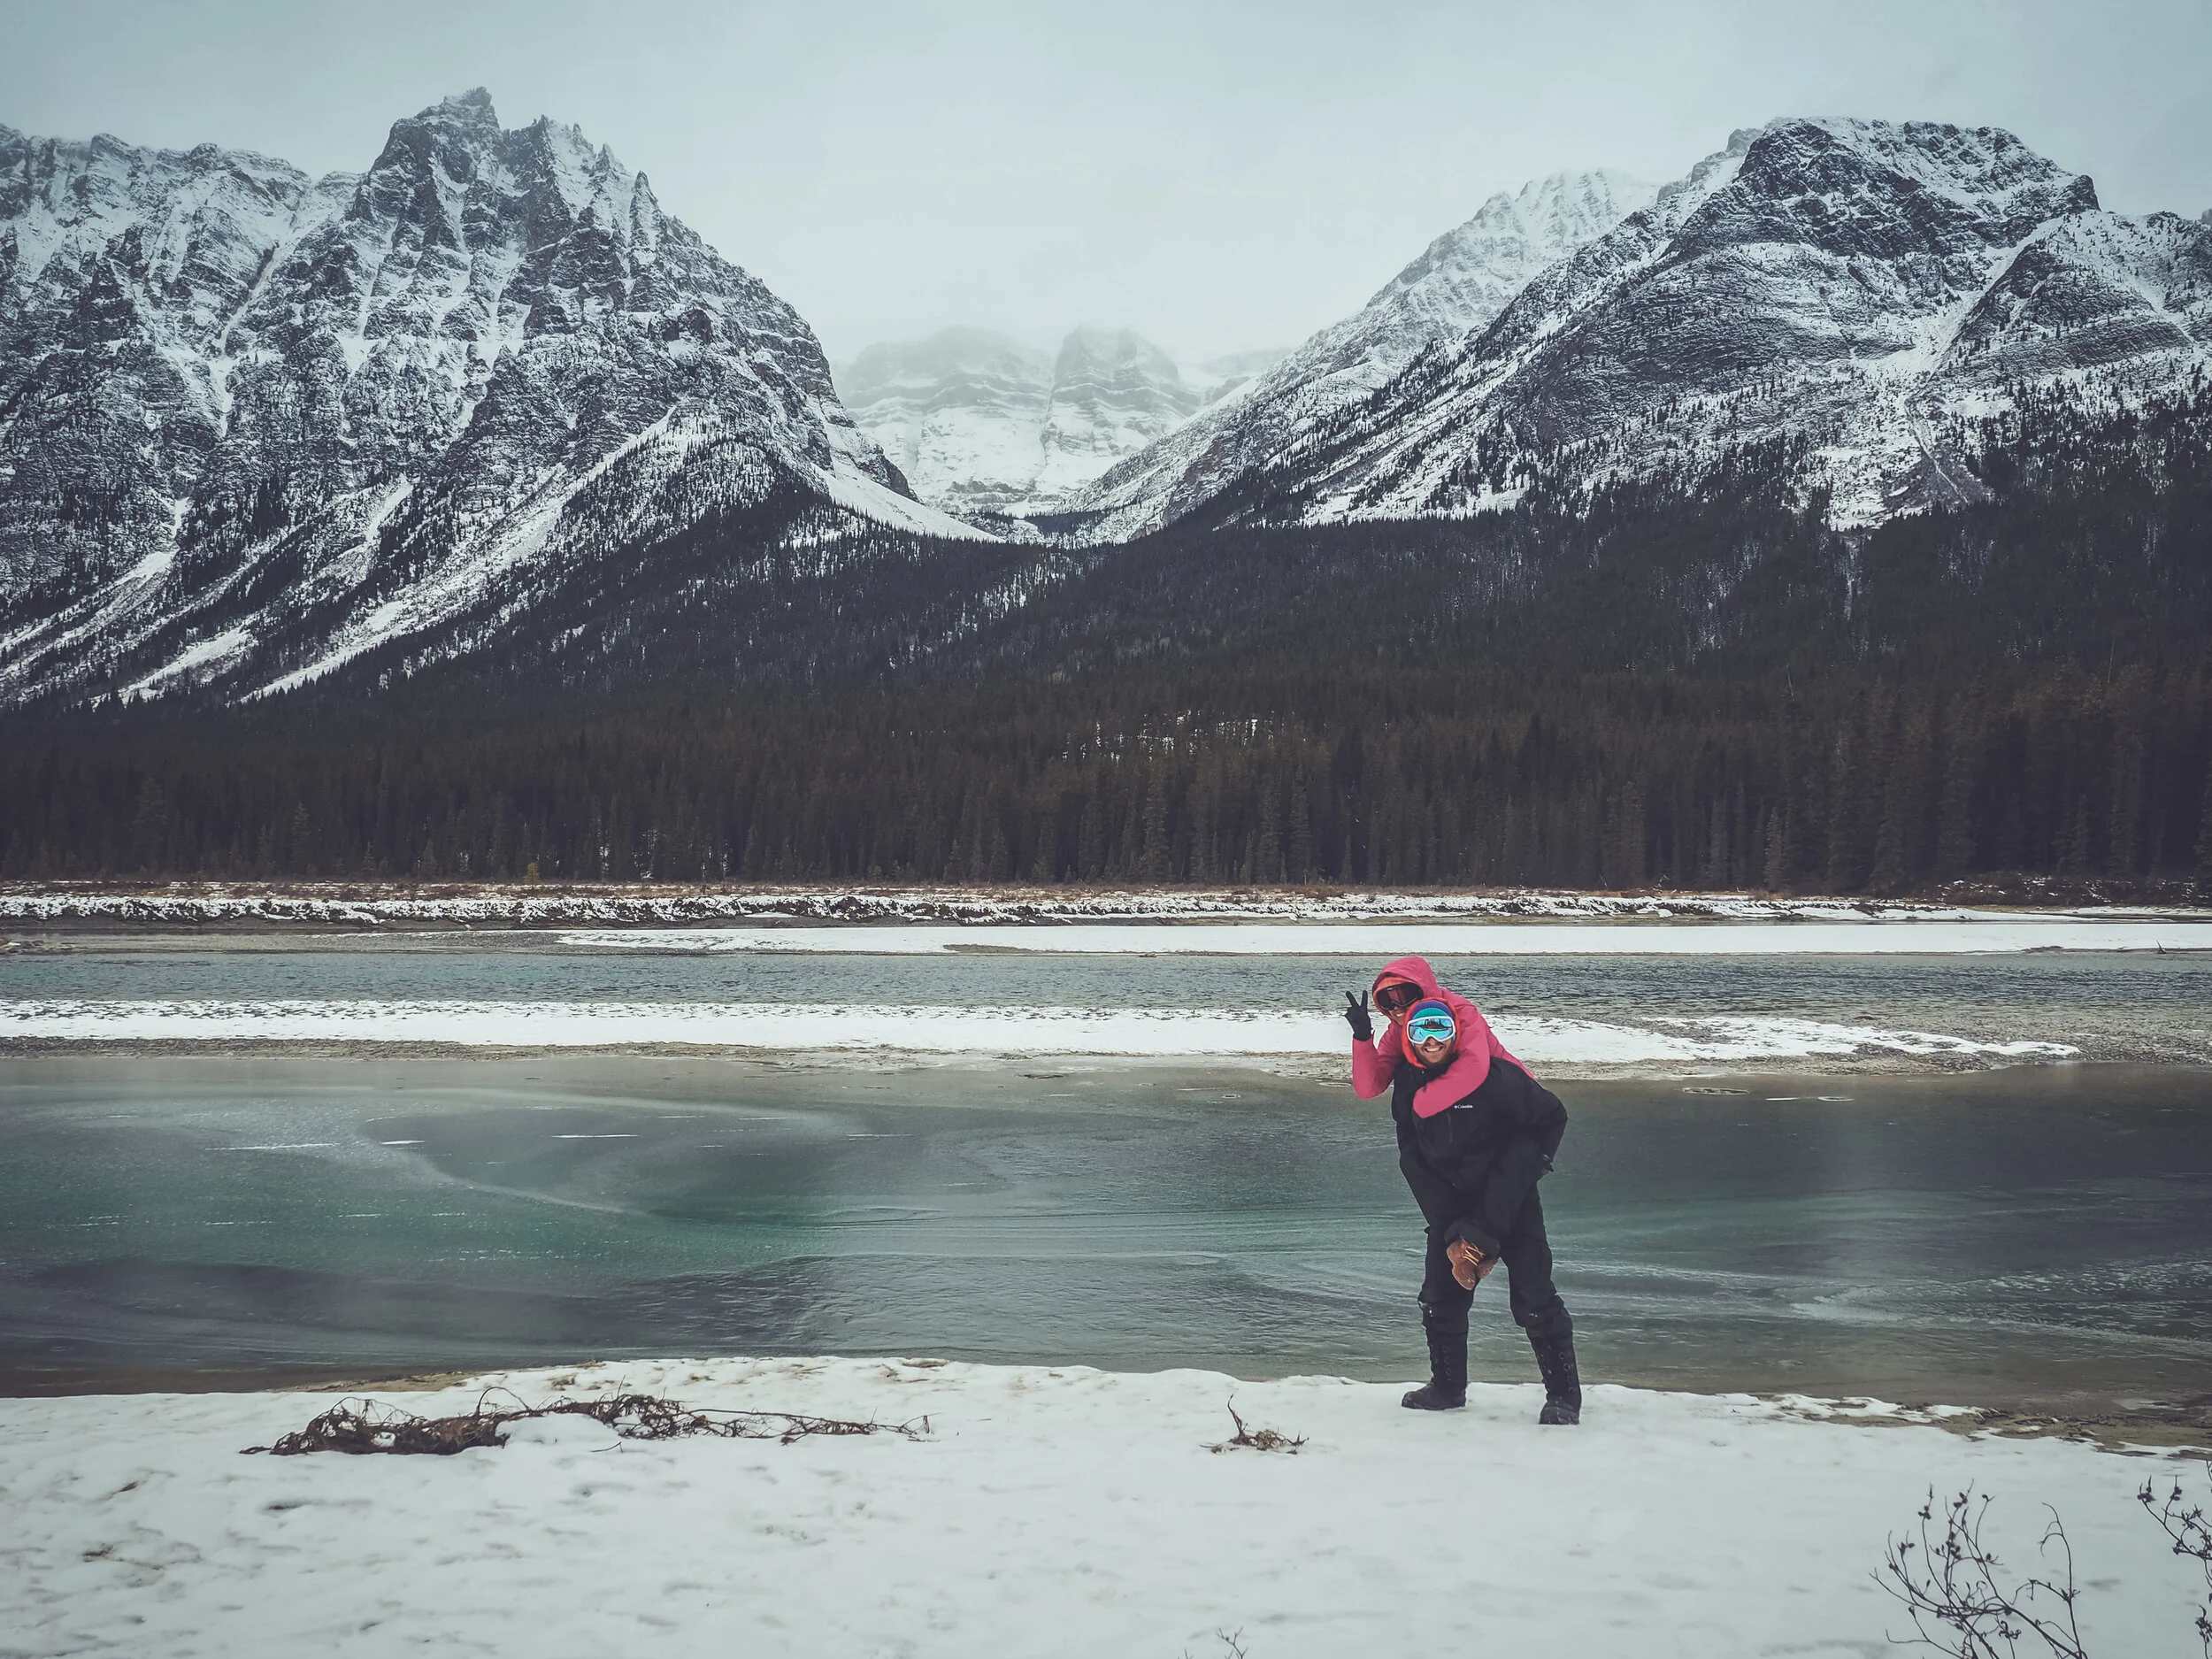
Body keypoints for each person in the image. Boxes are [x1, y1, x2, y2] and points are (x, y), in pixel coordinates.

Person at [1345, 956, 1582, 1424]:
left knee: (1534, 1296)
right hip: (1449, 1194)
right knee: (1439, 1296)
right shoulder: (1407, 1078)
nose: (1431, 1040)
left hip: (1509, 1194)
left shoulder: (1494, 1074)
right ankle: (1448, 1388)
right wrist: (1453, 1226)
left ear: (1451, 1025)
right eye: (1419, 1032)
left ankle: (1563, 1397)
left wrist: (1486, 1227)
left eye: (1438, 1029)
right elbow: (1411, 1154)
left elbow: (1550, 1119)